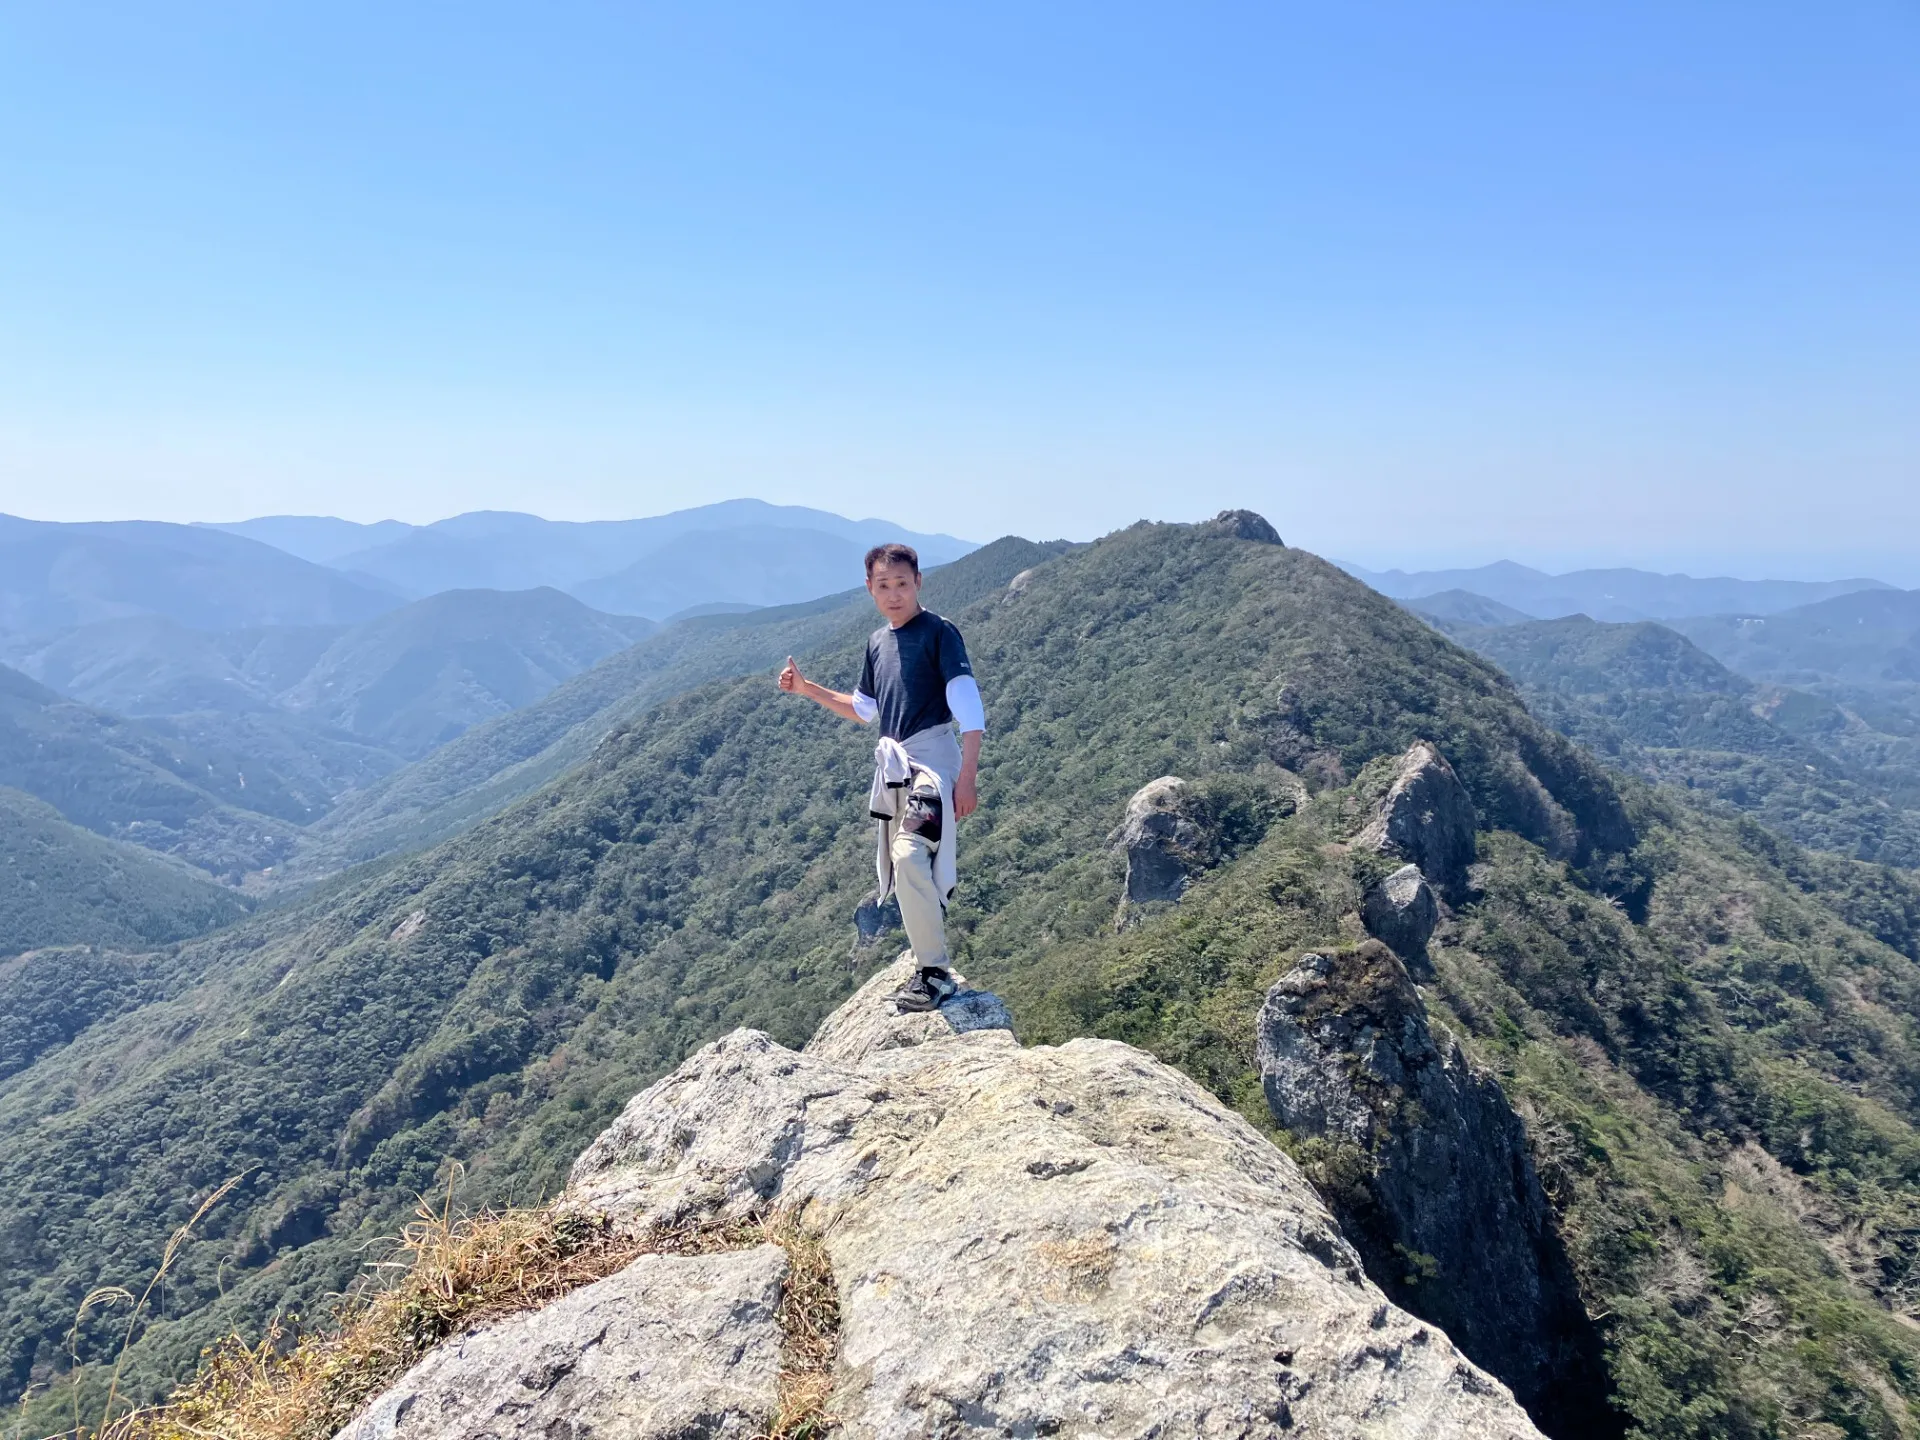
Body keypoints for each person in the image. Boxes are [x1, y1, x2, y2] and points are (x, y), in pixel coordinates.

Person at [778, 542, 986, 1011]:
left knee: (910, 854)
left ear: (918, 583)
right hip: (898, 769)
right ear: (870, 588)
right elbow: (863, 709)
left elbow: (970, 711)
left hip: (933, 762)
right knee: (902, 861)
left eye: (902, 584)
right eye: (884, 585)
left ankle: (935, 972)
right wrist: (807, 689)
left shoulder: (940, 633)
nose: (894, 594)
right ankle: (929, 967)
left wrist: (967, 778)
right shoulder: (877, 642)